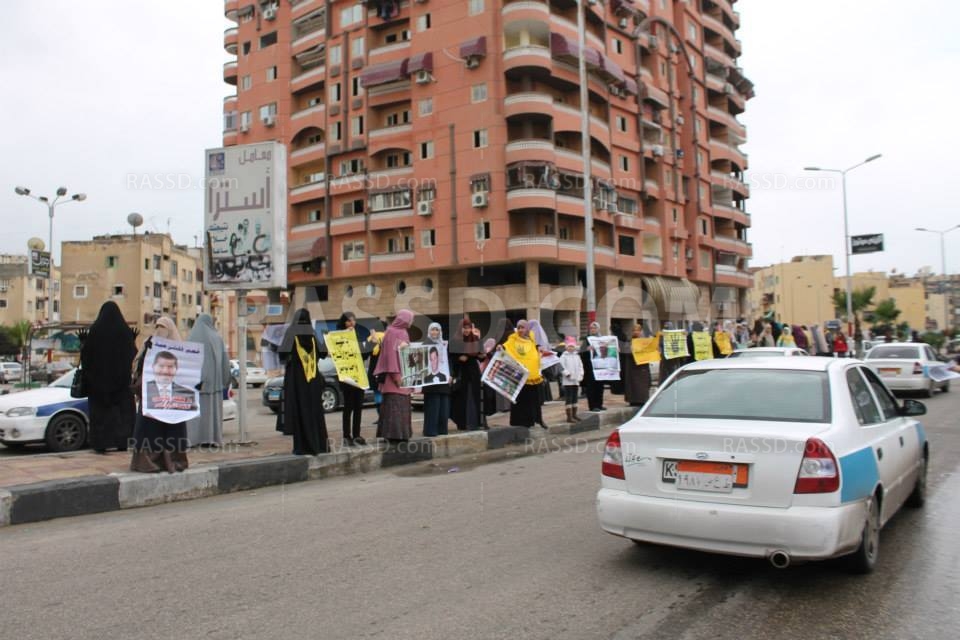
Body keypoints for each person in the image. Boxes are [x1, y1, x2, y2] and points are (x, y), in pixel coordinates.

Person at [130, 316, 190, 473]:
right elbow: (138, 365)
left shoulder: (179, 348)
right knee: (149, 428)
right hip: (151, 394)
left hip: (172, 396)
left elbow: (186, 372)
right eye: (158, 328)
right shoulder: (149, 343)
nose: (160, 332)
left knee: (172, 427)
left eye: (163, 329)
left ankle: (172, 460)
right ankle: (148, 461)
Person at [80, 301, 137, 453]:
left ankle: (101, 444)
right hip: (121, 385)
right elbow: (132, 357)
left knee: (101, 416)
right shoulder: (124, 332)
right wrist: (132, 339)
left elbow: (87, 359)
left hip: (98, 386)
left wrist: (83, 343)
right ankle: (122, 442)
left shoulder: (95, 331)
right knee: (122, 415)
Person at [278, 309, 330, 455]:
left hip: (297, 381)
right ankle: (319, 445)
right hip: (313, 380)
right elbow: (323, 353)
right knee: (315, 412)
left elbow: (282, 354)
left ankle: (301, 447)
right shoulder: (311, 334)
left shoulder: (291, 333)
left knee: (300, 412)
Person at [186, 314, 231, 447]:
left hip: (194, 384)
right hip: (214, 384)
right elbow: (225, 362)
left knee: (195, 413)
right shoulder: (217, 338)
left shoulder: (190, 338)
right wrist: (225, 380)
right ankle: (211, 438)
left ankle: (193, 439)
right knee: (212, 412)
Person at [373, 309, 414, 442]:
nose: (411, 322)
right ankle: (394, 436)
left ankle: (401, 435)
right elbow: (390, 356)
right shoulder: (392, 332)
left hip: (404, 378)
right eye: (410, 319)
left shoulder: (403, 332)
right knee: (394, 408)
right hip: (395, 379)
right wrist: (396, 376)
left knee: (401, 407)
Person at [501, 319, 547, 428]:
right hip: (520, 374)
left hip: (533, 374)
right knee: (521, 399)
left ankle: (537, 419)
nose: (521, 330)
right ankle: (520, 422)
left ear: (527, 329)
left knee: (534, 399)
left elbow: (534, 349)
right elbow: (506, 347)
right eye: (519, 328)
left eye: (523, 327)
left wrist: (539, 349)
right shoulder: (513, 339)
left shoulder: (531, 339)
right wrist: (500, 348)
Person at [336, 311, 367, 447]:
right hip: (347, 376)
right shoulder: (338, 336)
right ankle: (346, 436)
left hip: (359, 375)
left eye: (353, 320)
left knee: (358, 406)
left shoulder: (357, 335)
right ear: (344, 322)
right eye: (349, 320)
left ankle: (357, 434)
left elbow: (363, 356)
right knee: (348, 407)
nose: (352, 323)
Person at [449, 317, 485, 431]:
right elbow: (451, 357)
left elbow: (481, 357)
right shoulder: (455, 341)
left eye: (468, 328)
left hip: (474, 373)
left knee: (474, 397)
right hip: (461, 373)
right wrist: (459, 358)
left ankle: (475, 423)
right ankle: (463, 423)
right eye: (464, 328)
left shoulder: (476, 339)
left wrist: (482, 356)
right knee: (461, 398)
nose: (466, 330)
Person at [421, 322, 450, 437]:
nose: (434, 332)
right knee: (432, 407)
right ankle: (430, 431)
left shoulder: (444, 345)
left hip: (443, 381)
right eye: (432, 329)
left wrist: (450, 375)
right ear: (429, 331)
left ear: (440, 331)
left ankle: (442, 430)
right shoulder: (424, 345)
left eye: (437, 330)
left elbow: (448, 362)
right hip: (430, 383)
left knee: (444, 409)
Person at [624, 323, 654, 407]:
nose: (636, 332)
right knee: (632, 384)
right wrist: (631, 350)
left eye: (638, 330)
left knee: (642, 385)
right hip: (632, 366)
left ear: (641, 331)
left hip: (642, 367)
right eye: (634, 330)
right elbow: (625, 351)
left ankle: (642, 400)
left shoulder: (645, 341)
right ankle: (633, 400)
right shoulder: (629, 341)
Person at [580, 321, 606, 412]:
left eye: (595, 328)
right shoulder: (587, 340)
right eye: (591, 328)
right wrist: (587, 350)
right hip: (590, 368)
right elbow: (581, 352)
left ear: (598, 329)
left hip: (600, 366)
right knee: (591, 387)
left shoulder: (602, 339)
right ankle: (593, 406)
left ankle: (599, 404)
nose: (593, 330)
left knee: (600, 386)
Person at [559, 336, 584, 423]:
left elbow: (580, 366)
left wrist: (581, 374)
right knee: (569, 397)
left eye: (572, 346)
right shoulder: (564, 356)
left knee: (575, 397)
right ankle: (569, 417)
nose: (571, 348)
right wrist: (567, 374)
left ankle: (574, 414)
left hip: (576, 380)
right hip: (568, 381)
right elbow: (561, 367)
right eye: (569, 346)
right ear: (566, 347)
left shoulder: (577, 356)